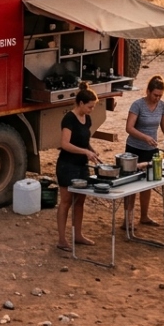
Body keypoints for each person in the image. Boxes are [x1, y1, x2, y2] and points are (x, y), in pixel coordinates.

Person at [123, 75, 164, 228]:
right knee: (131, 184)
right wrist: (145, 137)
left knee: (148, 183)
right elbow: (129, 128)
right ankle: (127, 219)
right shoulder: (137, 105)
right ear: (148, 91)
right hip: (134, 148)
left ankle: (144, 216)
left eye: (160, 96)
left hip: (151, 149)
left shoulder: (162, 106)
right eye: (155, 95)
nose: (157, 98)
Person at [55, 84, 101, 251]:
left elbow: (83, 139)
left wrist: (91, 150)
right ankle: (61, 239)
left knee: (80, 201)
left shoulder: (87, 118)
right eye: (90, 106)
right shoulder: (69, 119)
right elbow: (65, 144)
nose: (91, 109)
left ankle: (78, 234)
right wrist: (84, 151)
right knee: (66, 201)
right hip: (67, 165)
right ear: (81, 103)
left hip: (81, 165)